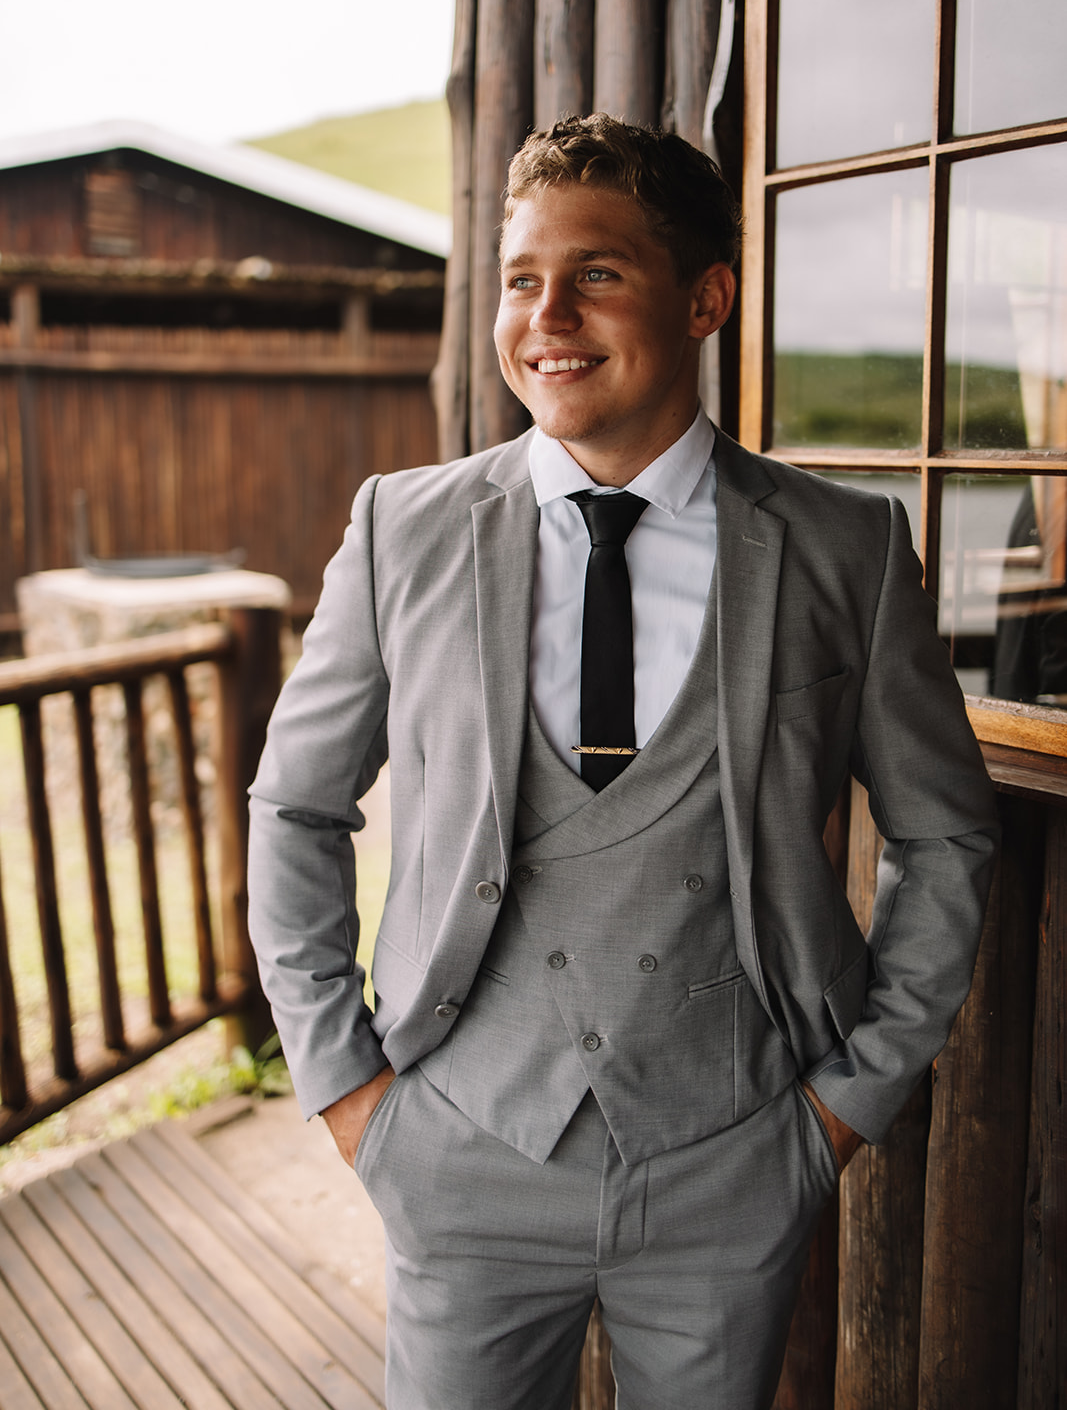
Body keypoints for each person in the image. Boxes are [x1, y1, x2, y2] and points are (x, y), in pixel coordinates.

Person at [247, 114, 998, 1410]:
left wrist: (841, 1110)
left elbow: (947, 835)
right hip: (456, 1150)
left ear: (705, 295)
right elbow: (296, 807)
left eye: (596, 272)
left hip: (737, 1155)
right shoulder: (403, 531)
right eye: (522, 278)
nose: (548, 315)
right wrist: (349, 1093)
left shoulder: (843, 549)